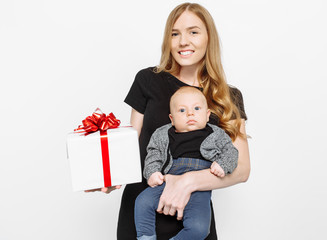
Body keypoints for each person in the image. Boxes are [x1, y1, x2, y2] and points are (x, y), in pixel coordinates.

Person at [90, 3, 250, 239]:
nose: (183, 41)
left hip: (194, 215)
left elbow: (242, 170)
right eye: (175, 34)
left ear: (209, 38)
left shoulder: (228, 96)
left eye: (193, 32)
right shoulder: (147, 80)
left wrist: (187, 182)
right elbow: (131, 147)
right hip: (141, 211)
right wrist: (107, 176)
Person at [134, 86, 239, 240]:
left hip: (201, 184)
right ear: (172, 119)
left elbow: (231, 152)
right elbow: (153, 153)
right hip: (169, 179)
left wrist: (223, 164)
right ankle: (146, 236)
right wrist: (152, 172)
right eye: (182, 111)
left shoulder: (216, 134)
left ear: (207, 114)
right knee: (142, 202)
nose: (190, 113)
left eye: (197, 108)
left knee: (200, 228)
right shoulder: (163, 134)